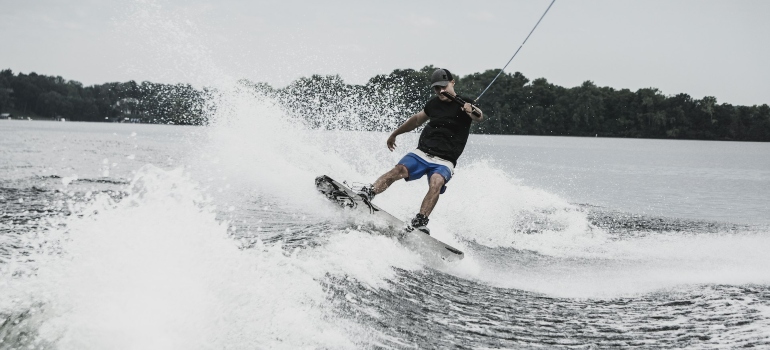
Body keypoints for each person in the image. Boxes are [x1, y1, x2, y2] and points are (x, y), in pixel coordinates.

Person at [357, 68, 484, 234]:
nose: (441, 91)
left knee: (437, 182)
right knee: (398, 170)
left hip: (445, 160)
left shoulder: (464, 103)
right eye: (437, 88)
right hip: (422, 152)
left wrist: (471, 109)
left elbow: (479, 116)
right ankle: (368, 193)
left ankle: (421, 220)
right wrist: (395, 134)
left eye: (444, 86)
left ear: (452, 83)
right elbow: (416, 120)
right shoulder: (433, 104)